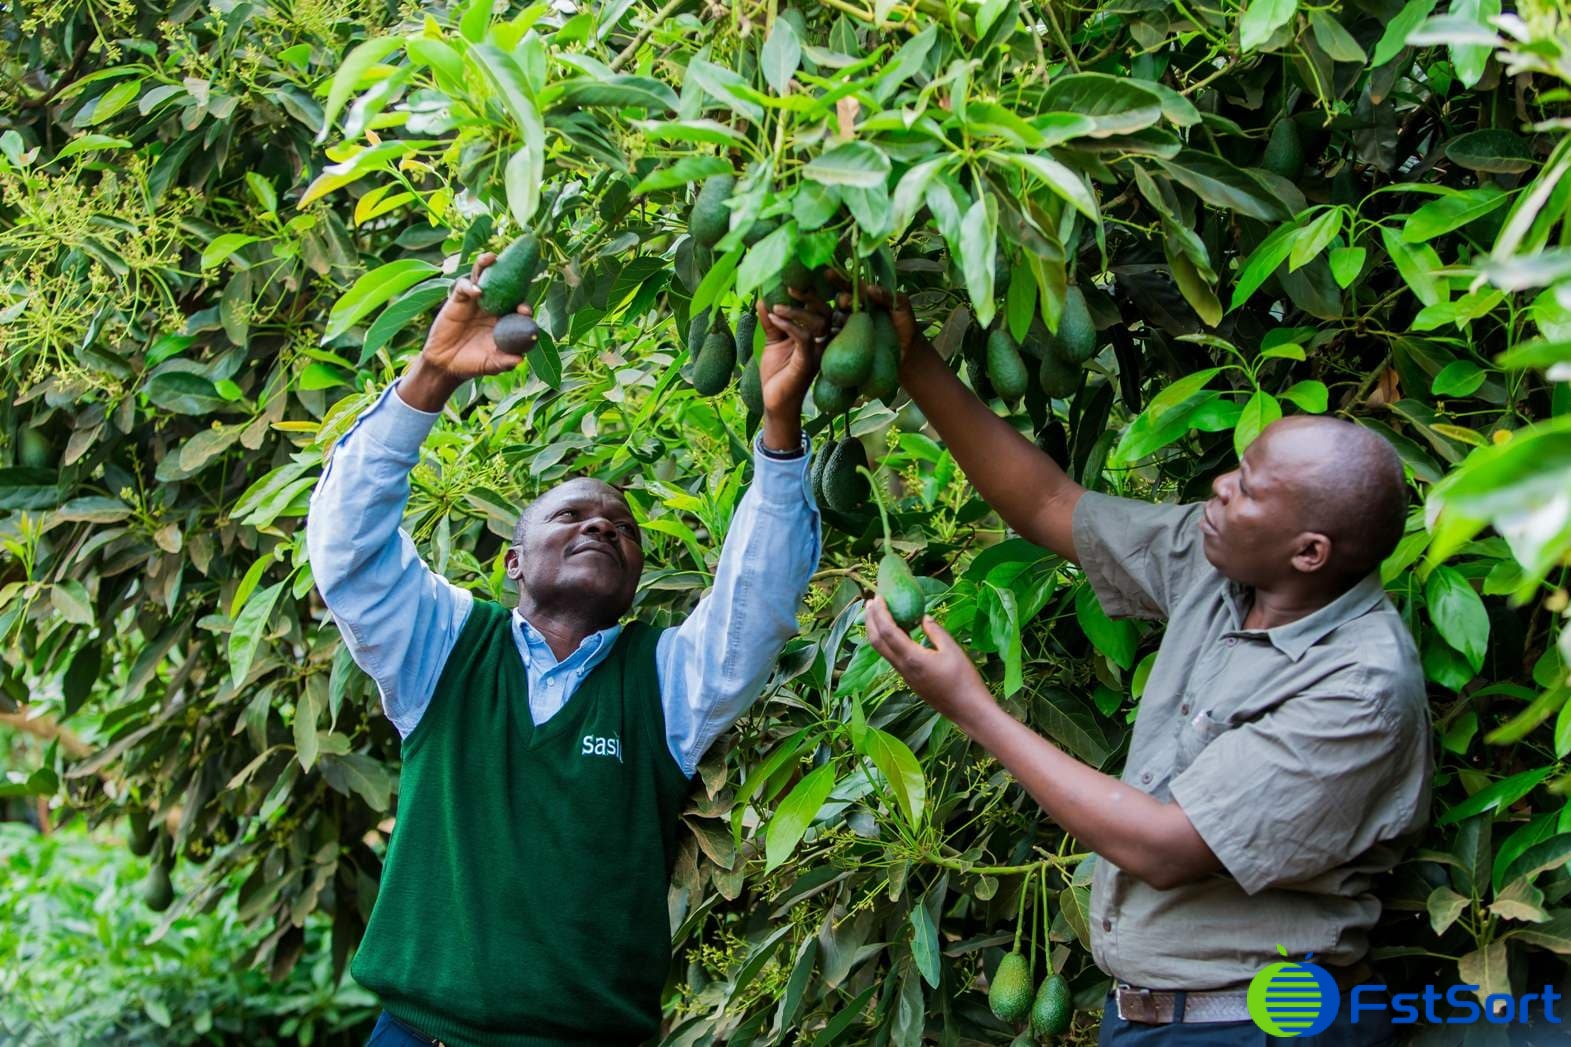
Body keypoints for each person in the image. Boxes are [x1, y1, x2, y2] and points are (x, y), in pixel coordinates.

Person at [862, 289, 1429, 1045]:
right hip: (1151, 1015)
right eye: (1234, 467)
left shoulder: (1359, 684)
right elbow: (1047, 501)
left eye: (1248, 489)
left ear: (1308, 551)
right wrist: (910, 358)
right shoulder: (1221, 566)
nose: (1218, 489)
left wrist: (971, 707)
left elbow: (1164, 846)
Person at [305, 253, 827, 1046]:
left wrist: (780, 428)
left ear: (637, 574)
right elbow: (347, 549)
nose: (599, 527)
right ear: (512, 561)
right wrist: (432, 377)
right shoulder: (445, 650)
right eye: (571, 517)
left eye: (621, 527)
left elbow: (755, 602)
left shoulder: (660, 681)